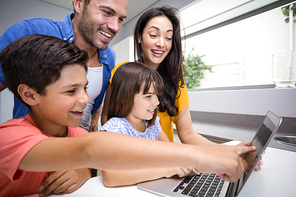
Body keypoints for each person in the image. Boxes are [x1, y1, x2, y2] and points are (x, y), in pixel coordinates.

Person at [0, 35, 255, 197]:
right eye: (71, 90)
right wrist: (209, 156)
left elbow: (88, 158)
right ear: (29, 95)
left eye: (85, 87)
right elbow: (91, 148)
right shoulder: (9, 136)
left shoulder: (75, 133)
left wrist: (83, 172)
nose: (86, 99)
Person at [101, 5, 262, 171]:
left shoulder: (176, 84)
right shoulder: (121, 72)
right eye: (154, 35)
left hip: (166, 165)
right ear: (140, 37)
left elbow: (188, 135)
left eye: (168, 38)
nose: (161, 43)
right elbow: (107, 117)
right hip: (129, 165)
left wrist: (230, 152)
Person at [0, 0, 127, 193]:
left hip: (75, 156)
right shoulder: (32, 31)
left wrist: (84, 168)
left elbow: (91, 129)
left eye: (120, 19)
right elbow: (92, 149)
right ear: (78, 3)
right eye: (106, 12)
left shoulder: (109, 56)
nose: (115, 26)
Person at [99, 62, 199, 187]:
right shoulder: (114, 129)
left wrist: (187, 161)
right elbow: (110, 178)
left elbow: (171, 152)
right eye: (148, 96)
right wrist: (165, 170)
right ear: (124, 97)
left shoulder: (152, 124)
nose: (156, 102)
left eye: (157, 95)